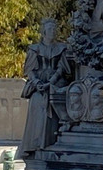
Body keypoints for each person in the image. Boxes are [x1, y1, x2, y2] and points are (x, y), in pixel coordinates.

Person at [19, 19, 72, 158]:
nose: (52, 32)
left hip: (56, 82)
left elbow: (61, 68)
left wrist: (51, 82)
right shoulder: (34, 49)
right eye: (50, 29)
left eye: (54, 29)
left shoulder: (61, 48)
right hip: (38, 85)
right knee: (38, 103)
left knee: (55, 103)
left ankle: (50, 143)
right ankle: (34, 145)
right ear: (44, 32)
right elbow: (30, 70)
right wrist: (37, 83)